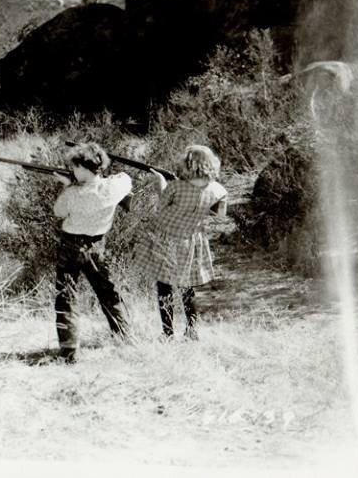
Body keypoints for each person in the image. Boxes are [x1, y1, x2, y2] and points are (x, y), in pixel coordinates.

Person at [134, 145, 227, 340]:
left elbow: (160, 207)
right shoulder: (219, 190)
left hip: (167, 240)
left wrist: (161, 184)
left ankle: (168, 333)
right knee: (187, 287)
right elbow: (220, 217)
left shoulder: (176, 187)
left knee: (164, 286)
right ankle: (192, 330)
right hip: (193, 241)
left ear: (189, 163)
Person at [51, 142, 133, 363]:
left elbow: (58, 212)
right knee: (109, 293)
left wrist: (67, 186)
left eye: (75, 167)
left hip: (70, 247)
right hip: (97, 246)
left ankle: (69, 351)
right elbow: (125, 179)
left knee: (66, 296)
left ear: (83, 167)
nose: (73, 170)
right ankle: (125, 337)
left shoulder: (72, 193)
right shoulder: (113, 187)